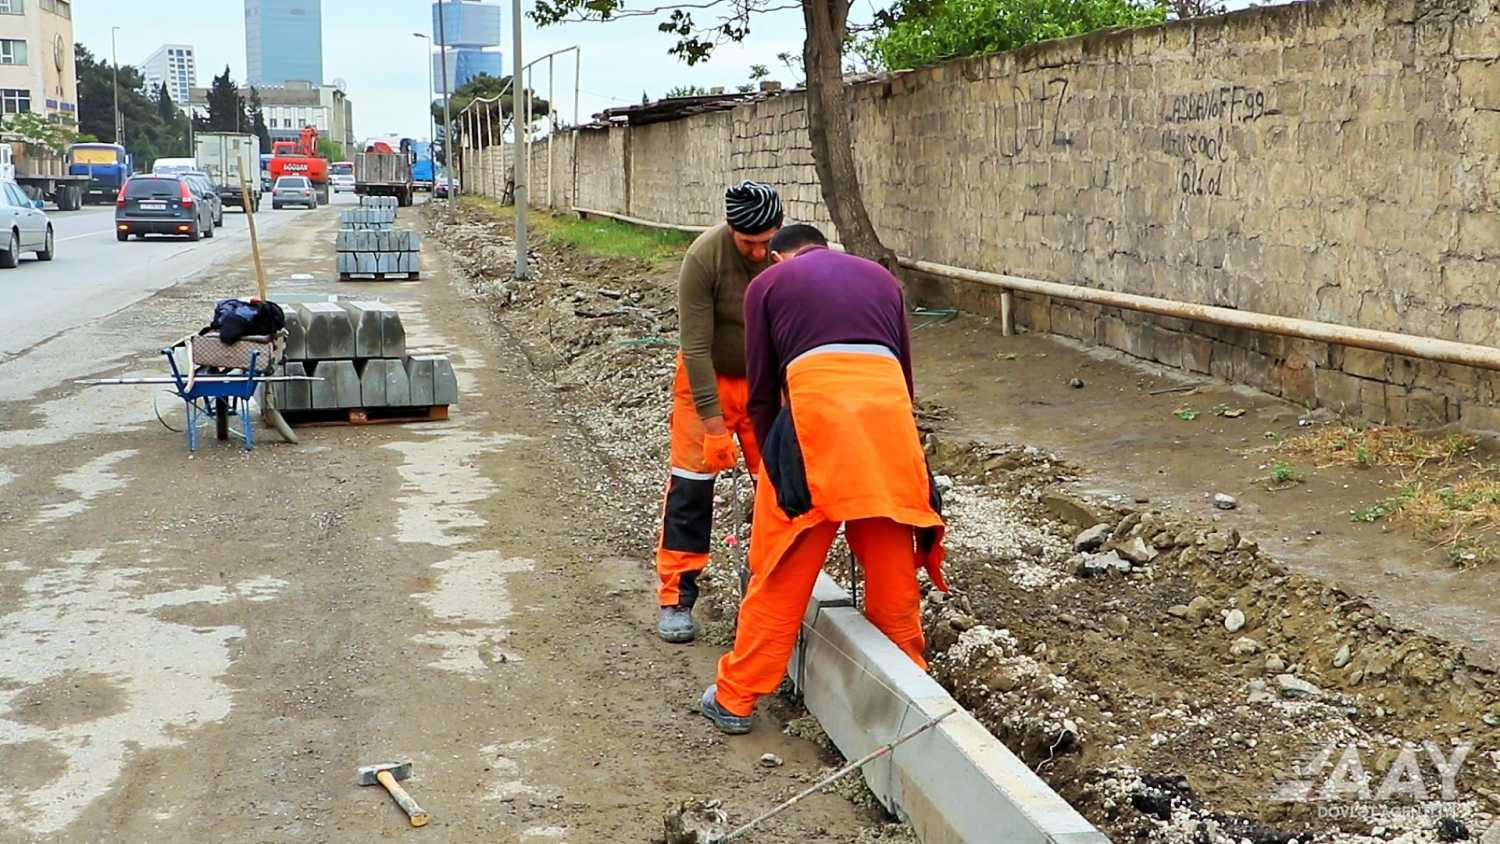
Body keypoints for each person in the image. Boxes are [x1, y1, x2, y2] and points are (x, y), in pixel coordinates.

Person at [700, 224, 947, 734]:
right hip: (888, 423)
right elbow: (903, 374)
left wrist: (773, 466)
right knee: (891, 562)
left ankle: (736, 698)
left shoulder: (768, 284)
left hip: (817, 421)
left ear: (777, 256)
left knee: (783, 564)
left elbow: (763, 391)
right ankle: (907, 700)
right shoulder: (881, 278)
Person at [655, 181, 783, 644]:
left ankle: (772, 588)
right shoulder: (703, 258)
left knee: (775, 486)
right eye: (749, 242)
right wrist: (713, 427)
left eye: (766, 242)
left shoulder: (779, 259)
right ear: (732, 230)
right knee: (692, 487)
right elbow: (694, 346)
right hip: (703, 379)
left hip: (760, 387)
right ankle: (676, 597)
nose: (757, 251)